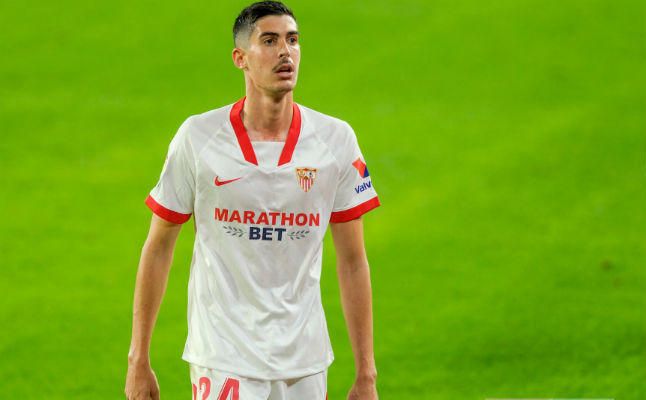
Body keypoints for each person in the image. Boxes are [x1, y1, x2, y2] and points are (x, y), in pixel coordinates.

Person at [124, 2, 380, 399]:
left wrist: (367, 373)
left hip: (305, 362)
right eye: (270, 41)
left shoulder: (336, 141)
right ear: (240, 58)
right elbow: (158, 248)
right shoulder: (198, 138)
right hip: (224, 358)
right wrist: (137, 360)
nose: (285, 52)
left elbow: (353, 261)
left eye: (292, 40)